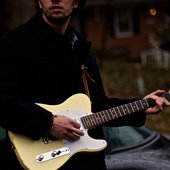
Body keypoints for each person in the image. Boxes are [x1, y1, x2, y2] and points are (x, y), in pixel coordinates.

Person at [0, 0, 169, 169]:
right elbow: (2, 101)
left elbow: (97, 106)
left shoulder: (82, 49)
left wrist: (140, 106)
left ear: (76, 3)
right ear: (39, 2)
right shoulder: (13, 43)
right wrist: (48, 123)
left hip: (86, 163)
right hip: (36, 160)